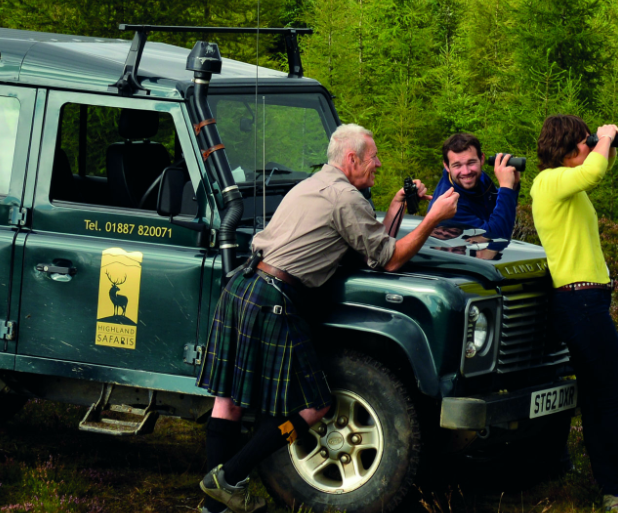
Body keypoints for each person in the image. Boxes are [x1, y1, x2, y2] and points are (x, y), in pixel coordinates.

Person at [194, 124, 459, 513]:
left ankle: (212, 506)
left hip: (244, 287)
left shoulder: (313, 184)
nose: (379, 163)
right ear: (352, 159)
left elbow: (370, 246)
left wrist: (395, 205)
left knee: (228, 402)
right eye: (373, 157)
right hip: (277, 300)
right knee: (313, 405)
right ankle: (230, 476)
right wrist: (432, 217)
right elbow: (391, 259)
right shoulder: (345, 198)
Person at [529, 115, 618, 511]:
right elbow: (596, 171)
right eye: (583, 141)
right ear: (568, 150)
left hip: (585, 303)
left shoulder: (568, 186)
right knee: (612, 400)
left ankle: (615, 489)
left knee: (601, 402)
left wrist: (605, 141)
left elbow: (601, 164)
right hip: (581, 302)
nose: (590, 146)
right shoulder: (548, 182)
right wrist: (605, 137)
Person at [423, 132, 521, 240]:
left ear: (481, 159)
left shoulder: (481, 178)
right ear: (447, 166)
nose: (466, 172)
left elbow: (498, 203)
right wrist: (506, 187)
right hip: (462, 254)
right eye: (457, 165)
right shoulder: (450, 204)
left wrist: (513, 186)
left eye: (471, 162)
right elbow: (495, 238)